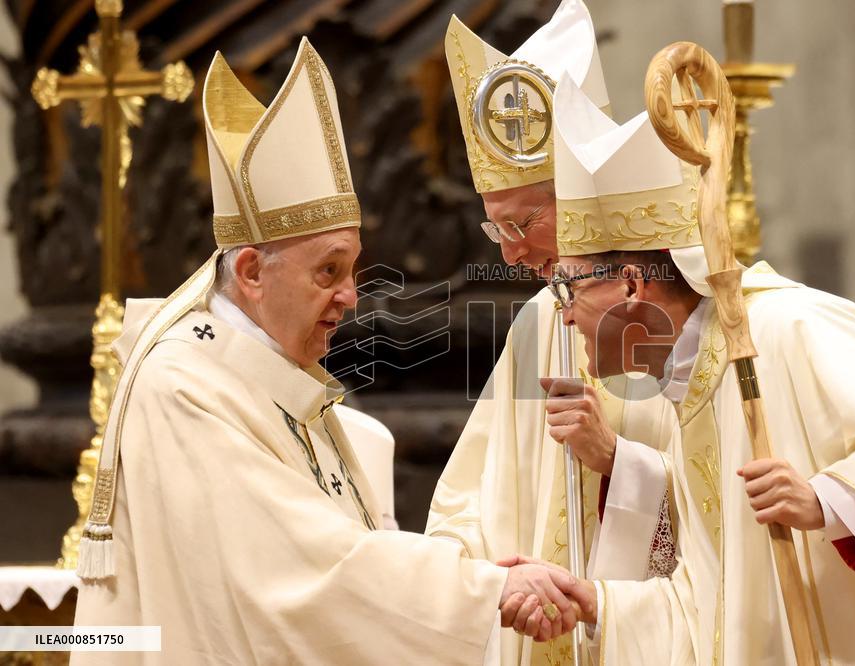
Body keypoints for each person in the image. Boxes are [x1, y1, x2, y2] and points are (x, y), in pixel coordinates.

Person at [70, 38, 591, 665]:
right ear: (252, 271)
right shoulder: (186, 385)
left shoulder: (270, 379)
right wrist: (485, 589)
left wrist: (477, 574)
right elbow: (303, 572)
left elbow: (344, 547)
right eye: (329, 270)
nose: (351, 296)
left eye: (353, 268)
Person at [506, 74, 855, 664]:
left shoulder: (787, 328)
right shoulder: (686, 393)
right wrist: (597, 603)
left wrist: (833, 502)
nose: (563, 317)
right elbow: (709, 611)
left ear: (632, 285)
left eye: (568, 287)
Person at [429, 2, 677, 662]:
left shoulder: (674, 308)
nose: (508, 253)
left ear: (581, 198)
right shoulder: (539, 319)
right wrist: (494, 580)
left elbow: (726, 523)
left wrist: (617, 462)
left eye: (521, 224)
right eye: (495, 229)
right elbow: (467, 502)